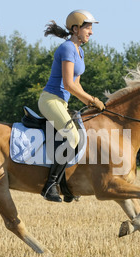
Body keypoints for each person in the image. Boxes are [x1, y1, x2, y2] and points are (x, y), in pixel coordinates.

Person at [40, 9, 105, 202]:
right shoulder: (67, 48)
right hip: (50, 100)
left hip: (62, 102)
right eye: (88, 27)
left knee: (83, 134)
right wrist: (92, 100)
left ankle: (66, 185)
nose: (91, 32)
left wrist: (90, 102)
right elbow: (68, 84)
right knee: (73, 136)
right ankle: (50, 184)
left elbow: (76, 85)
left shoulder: (80, 51)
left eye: (91, 28)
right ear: (75, 29)